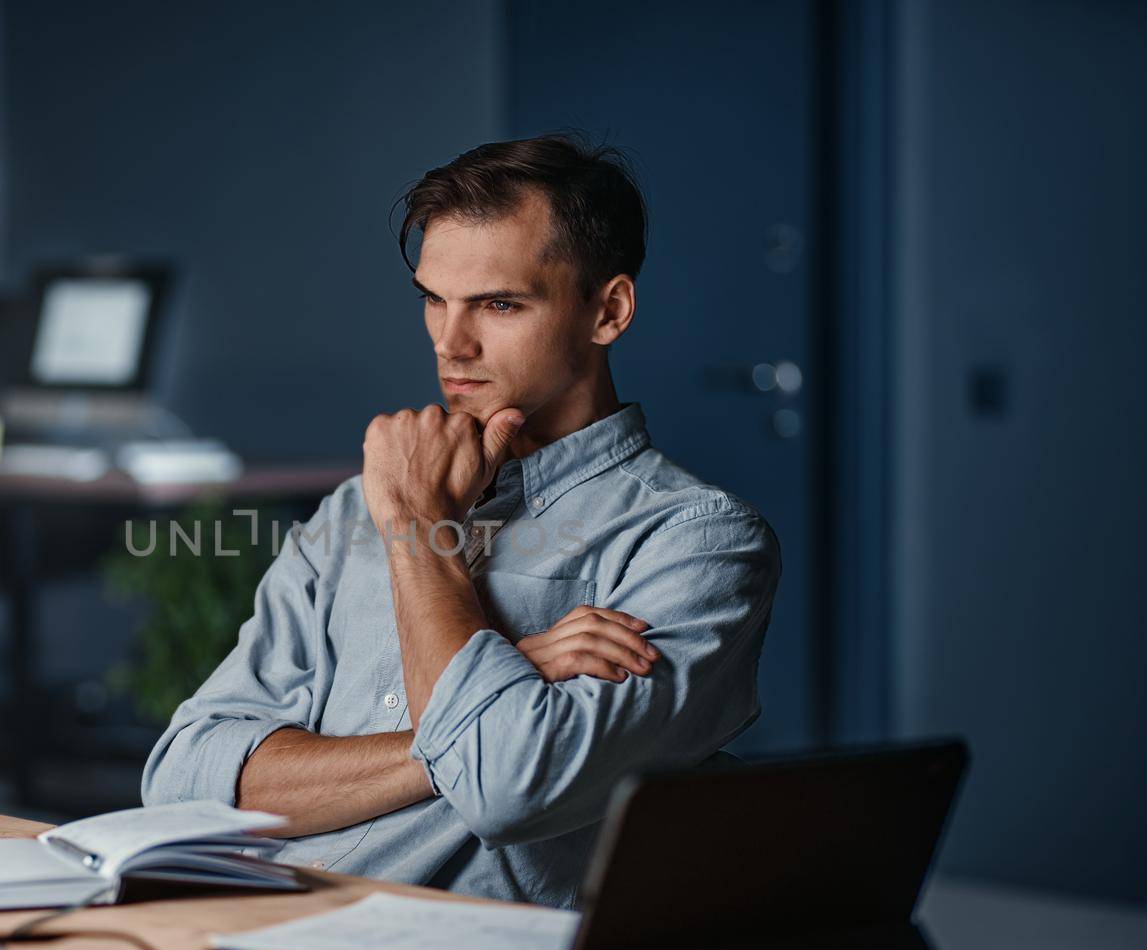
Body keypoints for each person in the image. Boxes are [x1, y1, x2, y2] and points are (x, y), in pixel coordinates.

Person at [142, 134, 780, 908]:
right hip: (263, 934)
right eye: (432, 299)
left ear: (607, 310)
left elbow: (505, 788)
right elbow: (183, 780)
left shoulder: (699, 541)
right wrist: (514, 676)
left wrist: (418, 533)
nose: (451, 343)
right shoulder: (357, 506)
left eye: (499, 304)